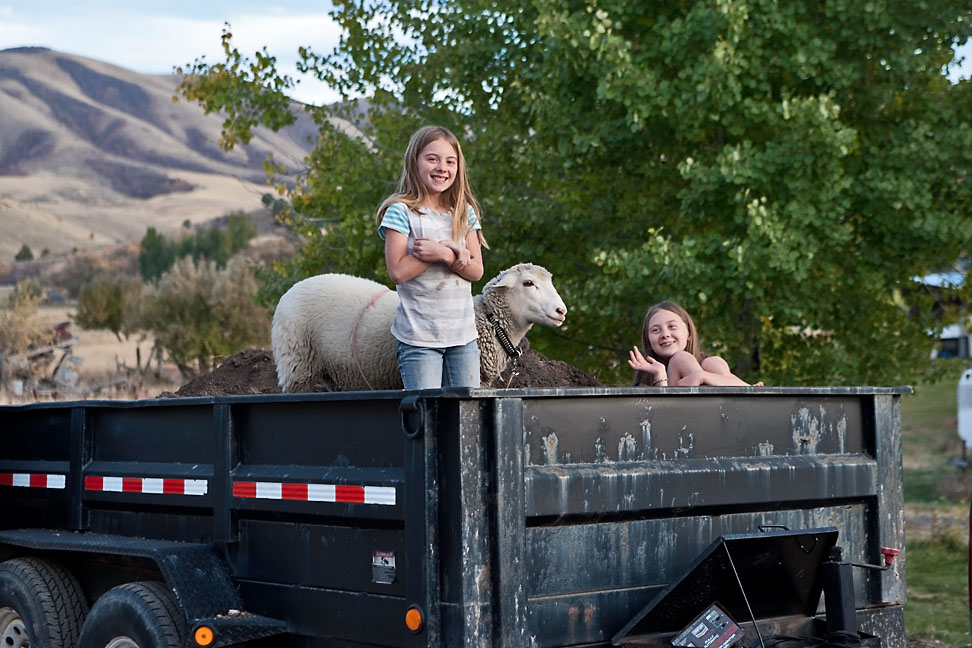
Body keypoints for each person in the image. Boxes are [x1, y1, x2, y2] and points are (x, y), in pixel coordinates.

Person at [376, 125, 488, 389]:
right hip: (419, 339)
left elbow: (476, 271)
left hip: (463, 339)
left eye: (450, 161)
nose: (442, 167)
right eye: (432, 159)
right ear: (414, 162)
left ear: (459, 167)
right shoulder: (401, 212)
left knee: (465, 421)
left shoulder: (463, 213)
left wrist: (444, 255)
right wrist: (438, 254)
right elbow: (398, 272)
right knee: (427, 419)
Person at [628, 301, 759, 387]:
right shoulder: (646, 376)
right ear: (649, 341)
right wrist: (660, 376)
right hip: (678, 420)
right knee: (680, 359)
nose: (665, 334)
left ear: (689, 333)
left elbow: (734, 382)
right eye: (656, 330)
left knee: (713, 362)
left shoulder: (708, 365)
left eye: (672, 326)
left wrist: (701, 376)